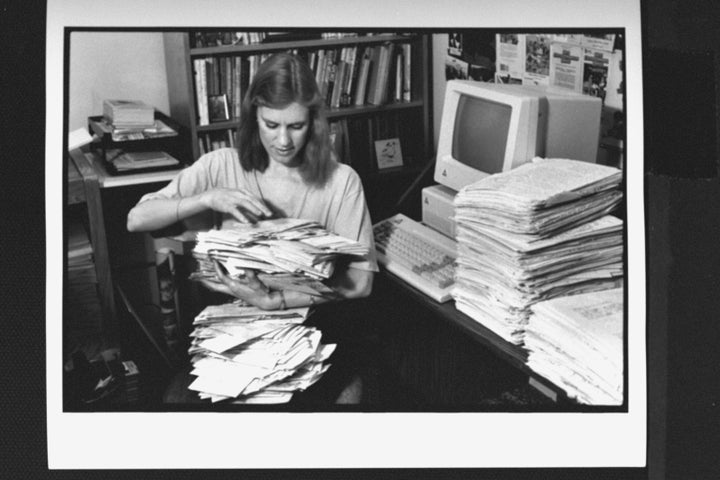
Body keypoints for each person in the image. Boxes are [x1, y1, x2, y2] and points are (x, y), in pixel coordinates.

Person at [127, 52, 379, 403]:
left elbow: (362, 282)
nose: (284, 141)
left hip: (310, 325)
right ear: (253, 117)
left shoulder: (342, 181)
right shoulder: (220, 165)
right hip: (232, 326)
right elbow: (136, 219)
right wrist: (207, 198)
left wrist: (275, 300)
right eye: (271, 125)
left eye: (296, 126)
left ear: (315, 122)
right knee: (179, 402)